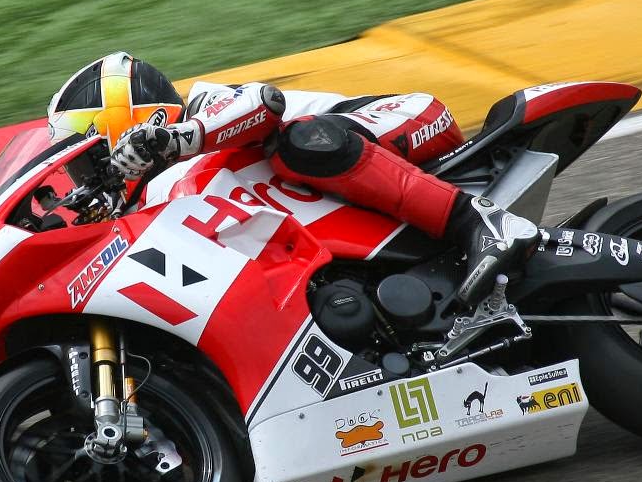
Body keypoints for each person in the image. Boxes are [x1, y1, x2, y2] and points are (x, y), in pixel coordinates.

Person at [47, 51, 540, 304]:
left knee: (300, 143)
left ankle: (482, 222)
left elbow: (266, 103)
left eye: (88, 161)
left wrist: (175, 140)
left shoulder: (206, 106)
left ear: (125, 126)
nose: (88, 177)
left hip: (404, 122)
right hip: (355, 200)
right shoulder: (165, 192)